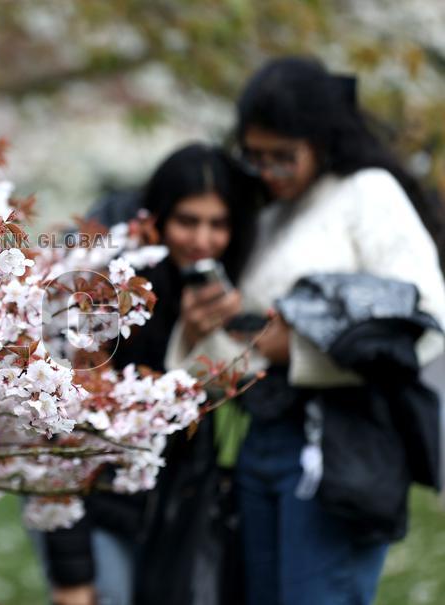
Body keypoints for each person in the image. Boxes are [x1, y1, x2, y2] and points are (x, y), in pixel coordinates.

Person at [167, 56, 445, 605]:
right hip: (260, 441)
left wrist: (301, 350)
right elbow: (246, 352)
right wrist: (195, 339)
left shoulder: (368, 193)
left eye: (284, 158)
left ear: (321, 141)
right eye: (257, 156)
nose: (269, 172)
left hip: (339, 444)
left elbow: (427, 321)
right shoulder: (270, 217)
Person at [42, 142, 256, 605]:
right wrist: (72, 575)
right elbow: (63, 436)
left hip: (168, 507)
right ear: (156, 220)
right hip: (90, 498)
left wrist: (207, 341)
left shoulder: (219, 288)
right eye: (187, 221)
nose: (202, 239)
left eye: (217, 224)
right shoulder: (103, 290)